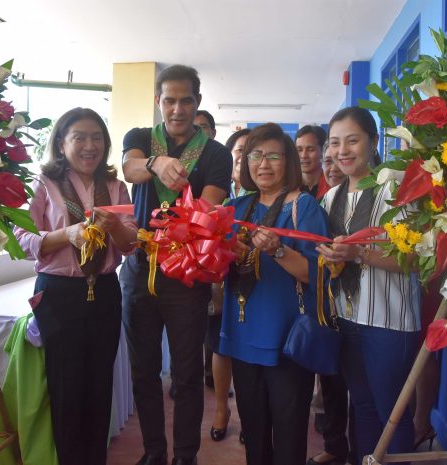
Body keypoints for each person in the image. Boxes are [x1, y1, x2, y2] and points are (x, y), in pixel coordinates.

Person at [121, 64, 232, 465]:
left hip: (186, 273)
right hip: (138, 268)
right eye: (169, 100)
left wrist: (184, 194)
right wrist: (155, 164)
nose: (178, 109)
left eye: (186, 100)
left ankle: (186, 456)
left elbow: (209, 208)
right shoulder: (140, 138)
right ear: (159, 102)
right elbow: (129, 167)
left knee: (186, 377)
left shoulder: (217, 154)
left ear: (197, 102)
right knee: (143, 372)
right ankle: (154, 452)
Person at [15, 107, 138, 465]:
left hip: (104, 292)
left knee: (99, 385)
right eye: (79, 137)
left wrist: (114, 227)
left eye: (96, 137)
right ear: (61, 142)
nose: (89, 146)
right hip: (59, 294)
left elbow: (131, 244)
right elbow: (19, 238)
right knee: (66, 387)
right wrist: (65, 234)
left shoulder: (115, 186)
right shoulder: (43, 184)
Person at [219, 123, 329, 465]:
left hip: (285, 339)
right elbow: (216, 269)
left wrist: (279, 251)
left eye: (273, 156)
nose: (263, 163)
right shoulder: (236, 208)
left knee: (288, 434)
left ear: (288, 161)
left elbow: (318, 275)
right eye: (255, 155)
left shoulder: (304, 207)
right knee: (253, 433)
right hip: (241, 333)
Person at [316, 107, 420, 464]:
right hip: (346, 318)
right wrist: (330, 257)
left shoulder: (398, 187)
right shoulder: (330, 198)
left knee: (393, 411)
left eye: (352, 140)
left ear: (374, 142)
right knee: (361, 406)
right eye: (334, 143)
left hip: (389, 322)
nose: (342, 151)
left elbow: (418, 260)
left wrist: (360, 254)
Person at [308, 141, 353, 465]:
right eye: (328, 160)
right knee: (333, 379)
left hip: (368, 305)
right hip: (328, 303)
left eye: (337, 158)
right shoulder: (322, 202)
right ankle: (336, 445)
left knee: (364, 393)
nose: (331, 165)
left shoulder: (374, 195)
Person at [205, 127, 251, 443]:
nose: (246, 158)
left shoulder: (267, 198)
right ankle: (222, 409)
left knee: (247, 351)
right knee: (220, 347)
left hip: (253, 285)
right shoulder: (215, 194)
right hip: (218, 284)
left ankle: (250, 417)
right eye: (240, 151)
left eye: (254, 151)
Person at [296, 125, 329, 200]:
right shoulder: (286, 187)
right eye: (299, 150)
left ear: (323, 151)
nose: (303, 156)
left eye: (310, 149)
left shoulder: (333, 188)